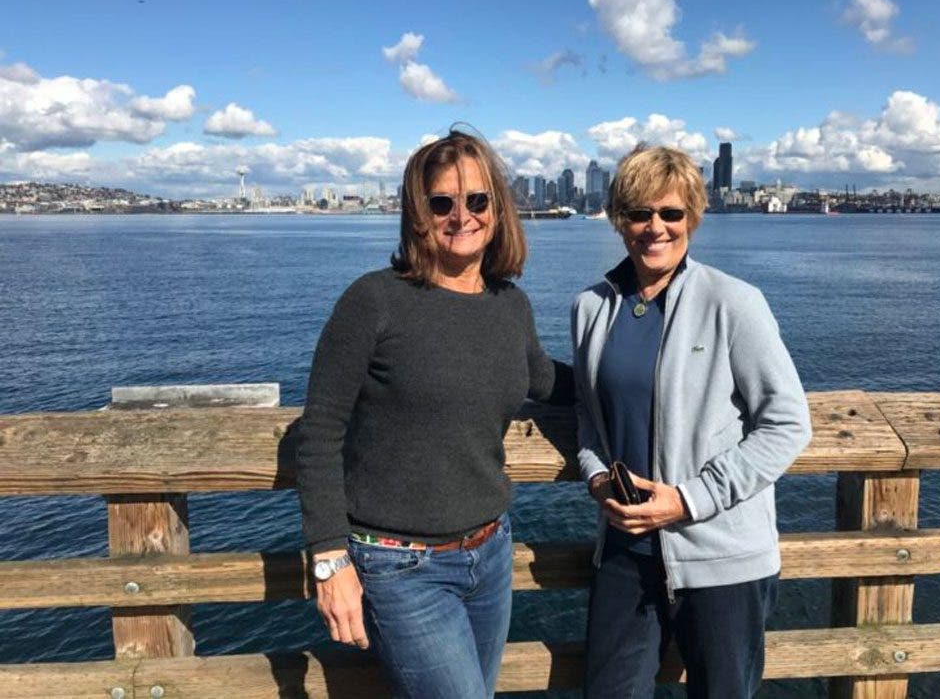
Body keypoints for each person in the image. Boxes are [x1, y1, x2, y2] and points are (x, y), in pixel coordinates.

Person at [294, 128, 572, 698]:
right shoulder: (374, 301)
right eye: (441, 202)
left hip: (491, 554)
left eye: (477, 201)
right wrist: (329, 560)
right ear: (418, 214)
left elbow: (543, 379)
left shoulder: (508, 305)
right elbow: (319, 432)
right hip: (399, 567)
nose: (460, 216)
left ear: (497, 208)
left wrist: (634, 377)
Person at [572, 144, 812, 698]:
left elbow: (787, 422)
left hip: (722, 558)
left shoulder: (735, 302)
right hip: (626, 554)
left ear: (693, 219)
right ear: (618, 221)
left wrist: (689, 500)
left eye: (671, 213)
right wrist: (596, 477)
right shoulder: (590, 307)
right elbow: (589, 416)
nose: (655, 228)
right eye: (638, 213)